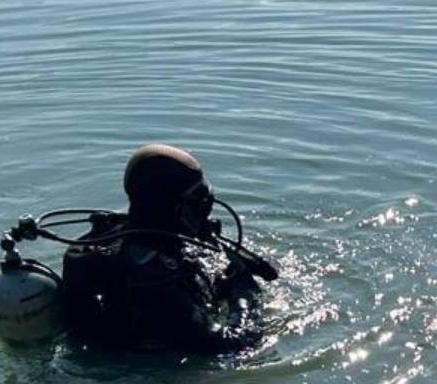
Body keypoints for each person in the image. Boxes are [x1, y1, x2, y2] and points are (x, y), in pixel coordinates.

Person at [60, 143, 278, 355]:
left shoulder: (116, 236)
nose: (205, 212)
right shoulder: (154, 279)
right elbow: (231, 345)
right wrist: (244, 294)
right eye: (198, 203)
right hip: (146, 379)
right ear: (170, 208)